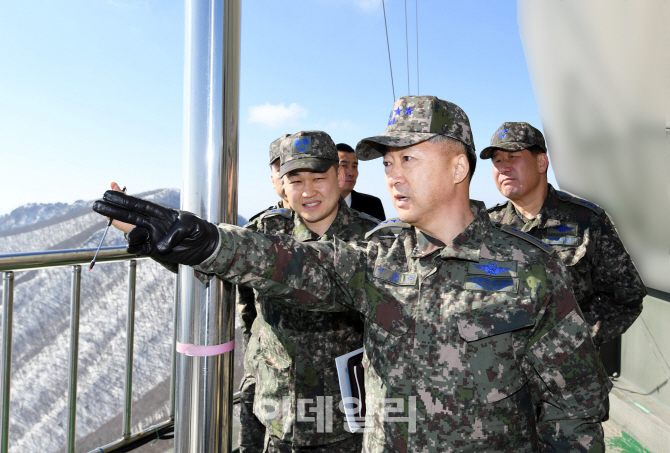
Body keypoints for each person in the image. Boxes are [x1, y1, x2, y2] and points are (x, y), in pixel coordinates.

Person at [93, 96, 611, 452]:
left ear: (458, 168)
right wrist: (198, 239)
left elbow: (574, 405)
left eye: (408, 158)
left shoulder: (530, 267)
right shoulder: (378, 255)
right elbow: (292, 263)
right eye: (387, 162)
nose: (393, 174)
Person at [480, 122, 646, 350]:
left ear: (541, 162)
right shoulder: (486, 228)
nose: (503, 167)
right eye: (497, 160)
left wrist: (574, 338)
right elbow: (477, 299)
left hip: (568, 374)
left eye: (513, 157)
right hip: (505, 374)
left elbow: (627, 296)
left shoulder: (587, 221)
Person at [237, 133, 292, 453]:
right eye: (281, 169)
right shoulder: (259, 232)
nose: (289, 177)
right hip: (265, 374)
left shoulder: (357, 234)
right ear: (272, 178)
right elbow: (207, 259)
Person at [336, 143, 386, 221]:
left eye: (354, 167)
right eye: (344, 165)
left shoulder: (373, 205)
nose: (351, 173)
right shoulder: (315, 204)